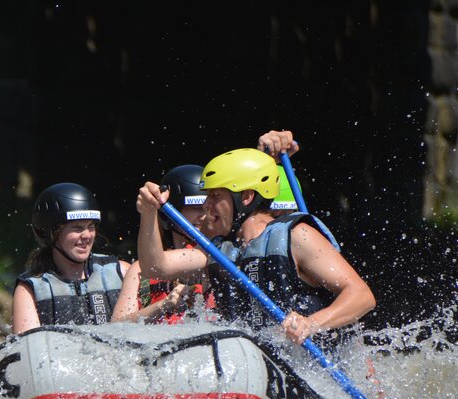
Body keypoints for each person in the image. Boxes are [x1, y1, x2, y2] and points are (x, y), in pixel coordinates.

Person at [135, 131, 376, 346]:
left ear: (247, 197)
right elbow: (156, 266)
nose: (206, 205)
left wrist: (311, 323)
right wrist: (148, 213)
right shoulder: (220, 251)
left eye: (214, 195)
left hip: (314, 368)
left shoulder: (296, 236)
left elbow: (361, 295)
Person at [11, 183, 130, 334]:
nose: (87, 235)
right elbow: (28, 348)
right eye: (77, 228)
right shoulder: (29, 290)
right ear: (50, 233)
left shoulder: (122, 272)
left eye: (91, 226)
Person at [111, 164, 214, 324]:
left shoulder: (215, 259)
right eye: (195, 208)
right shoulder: (139, 270)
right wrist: (162, 306)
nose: (204, 216)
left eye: (207, 209)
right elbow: (117, 327)